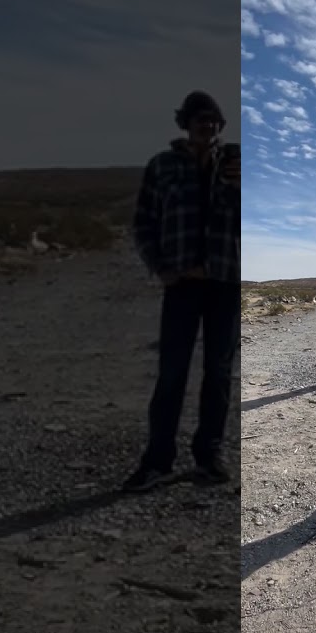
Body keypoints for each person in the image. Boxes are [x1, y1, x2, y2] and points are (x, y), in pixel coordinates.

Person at [123, 90, 240, 492]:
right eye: (198, 120)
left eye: (212, 120)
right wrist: (160, 268)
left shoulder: (239, 163)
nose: (206, 126)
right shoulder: (163, 166)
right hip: (182, 286)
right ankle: (158, 460)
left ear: (220, 125)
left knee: (219, 374)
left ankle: (209, 456)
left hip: (225, 282)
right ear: (185, 124)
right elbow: (143, 222)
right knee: (172, 373)